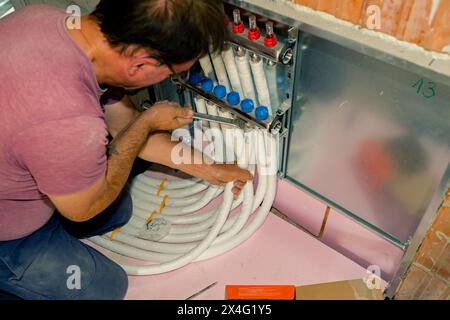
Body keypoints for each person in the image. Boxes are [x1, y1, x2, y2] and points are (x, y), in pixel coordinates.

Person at [0, 0, 252, 300]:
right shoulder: (67, 120)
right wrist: (146, 124)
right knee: (105, 288)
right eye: (175, 73)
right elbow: (85, 209)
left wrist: (208, 168)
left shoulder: (45, 19)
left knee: (119, 210)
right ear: (140, 64)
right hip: (9, 232)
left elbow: (123, 125)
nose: (173, 81)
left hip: (23, 173)